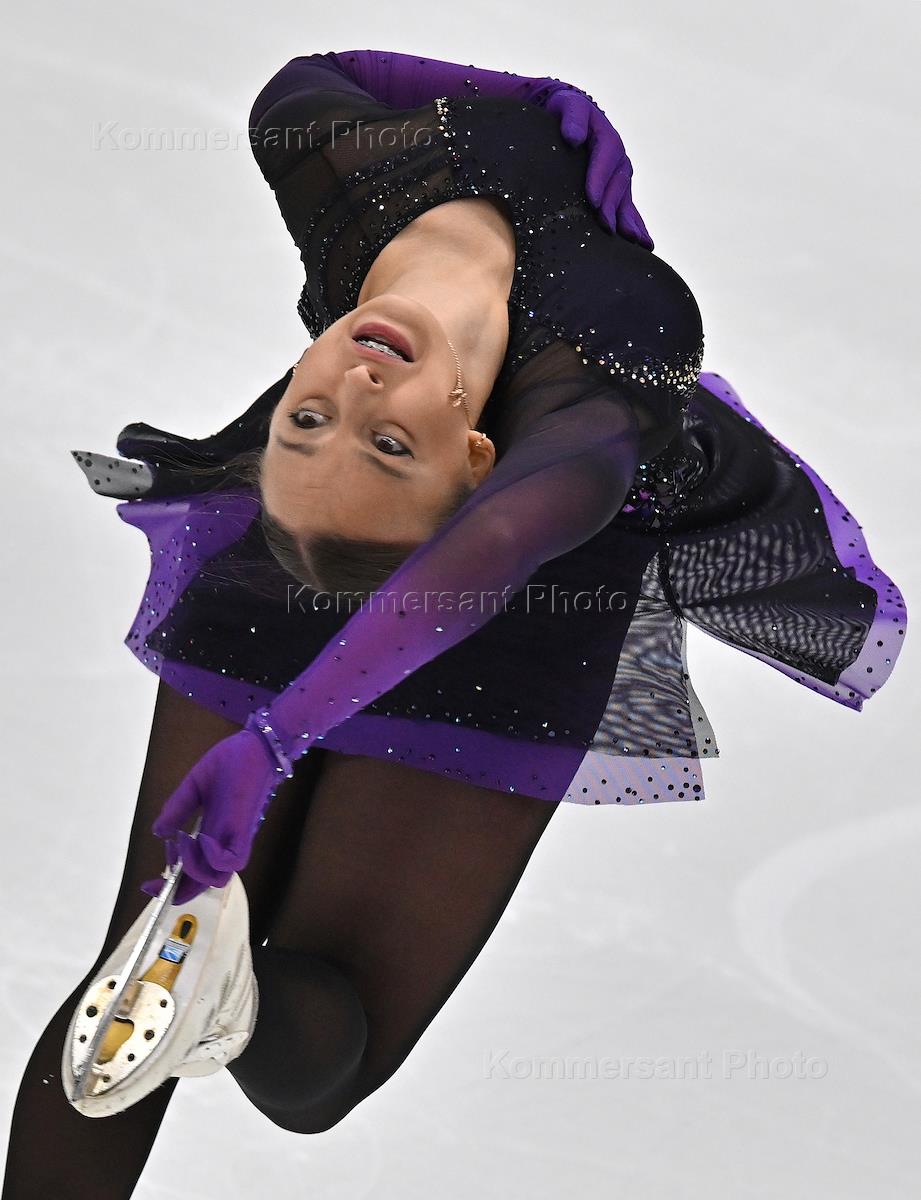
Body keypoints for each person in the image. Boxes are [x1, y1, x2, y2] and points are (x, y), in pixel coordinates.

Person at [3, 48, 906, 1197]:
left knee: (227, 1024)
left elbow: (313, 75)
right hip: (378, 567)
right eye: (331, 425)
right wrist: (533, 103)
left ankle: (224, 998)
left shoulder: (387, 201)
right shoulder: (596, 330)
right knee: (287, 1042)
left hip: (415, 575)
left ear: (479, 457)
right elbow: (501, 543)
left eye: (343, 427)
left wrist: (525, 107)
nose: (354, 391)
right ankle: (227, 1002)